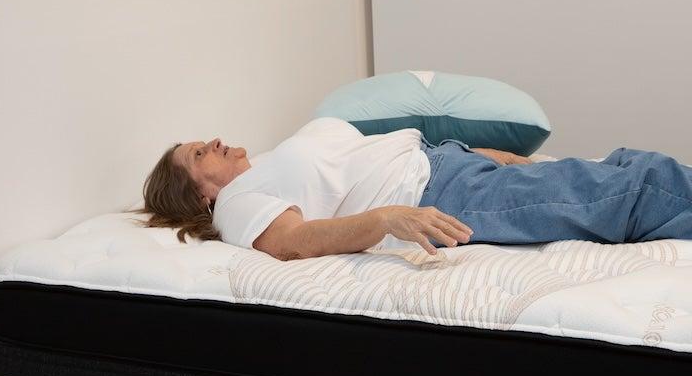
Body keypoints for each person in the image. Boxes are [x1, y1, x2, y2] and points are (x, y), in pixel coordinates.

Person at [133, 117, 692, 261]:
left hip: (446, 164)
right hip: (444, 195)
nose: (214, 141)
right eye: (198, 153)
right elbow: (291, 243)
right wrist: (386, 220)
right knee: (637, 190)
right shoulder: (235, 204)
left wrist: (486, 156)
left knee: (625, 167)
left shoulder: (272, 161)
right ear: (199, 195)